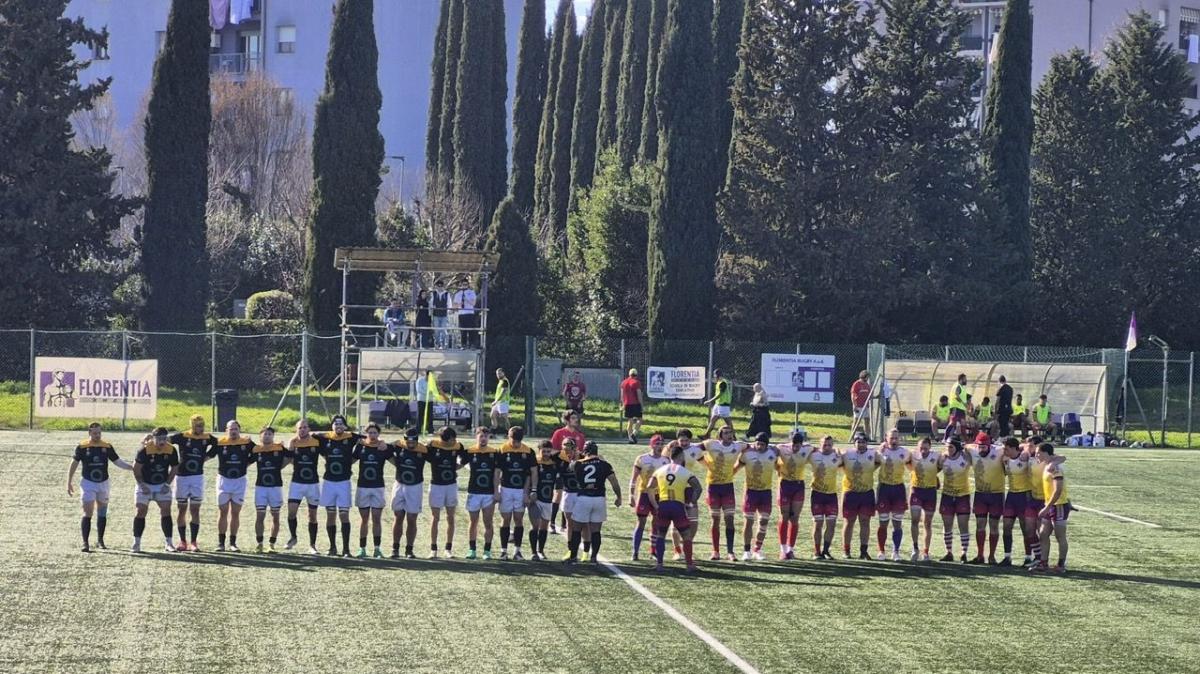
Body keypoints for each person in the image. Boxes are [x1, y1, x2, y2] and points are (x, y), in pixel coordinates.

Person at [67, 422, 133, 552]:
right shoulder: (82, 446)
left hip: (103, 483)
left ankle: (100, 540)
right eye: (95, 433)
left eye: (99, 433)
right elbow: (74, 463)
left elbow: (117, 461)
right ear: (89, 433)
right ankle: (85, 543)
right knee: (88, 512)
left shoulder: (106, 446)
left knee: (102, 512)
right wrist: (68, 481)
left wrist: (132, 468)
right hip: (88, 483)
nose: (97, 435)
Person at [645, 443, 703, 572]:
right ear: (681, 456)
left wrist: (655, 504)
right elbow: (698, 488)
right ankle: (689, 565)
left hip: (663, 505)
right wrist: (692, 502)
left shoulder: (659, 470)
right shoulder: (685, 471)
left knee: (661, 535)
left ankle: (659, 564)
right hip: (677, 506)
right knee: (686, 535)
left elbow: (649, 487)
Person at [565, 441, 621, 564]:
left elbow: (570, 467)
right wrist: (619, 497)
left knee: (576, 529)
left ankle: (573, 557)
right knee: (596, 530)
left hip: (583, 497)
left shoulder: (577, 464)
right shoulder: (605, 465)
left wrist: (576, 456)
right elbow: (614, 482)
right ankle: (594, 558)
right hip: (599, 498)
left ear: (585, 452)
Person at [168, 415, 217, 552]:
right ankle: (182, 541)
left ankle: (194, 542)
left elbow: (217, 445)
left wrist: (205, 458)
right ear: (192, 425)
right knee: (182, 509)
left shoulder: (207, 438)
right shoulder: (182, 436)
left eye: (202, 425)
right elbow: (166, 440)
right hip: (181, 477)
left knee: (195, 510)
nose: (200, 428)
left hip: (197, 477)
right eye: (197, 426)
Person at [208, 419, 256, 552]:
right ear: (226, 431)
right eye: (230, 429)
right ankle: (221, 543)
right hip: (223, 480)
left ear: (239, 430)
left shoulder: (246, 442)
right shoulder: (220, 443)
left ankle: (233, 543)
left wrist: (246, 464)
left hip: (239, 481)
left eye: (235, 429)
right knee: (223, 511)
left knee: (235, 513)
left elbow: (258, 453)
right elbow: (208, 455)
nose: (233, 431)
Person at [315, 415, 359, 557]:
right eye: (335, 423)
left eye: (341, 423)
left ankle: (346, 549)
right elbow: (313, 435)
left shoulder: (351, 437)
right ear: (332, 426)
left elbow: (366, 438)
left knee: (344, 515)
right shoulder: (326, 438)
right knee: (331, 515)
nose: (338, 426)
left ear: (345, 426)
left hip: (344, 482)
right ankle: (332, 547)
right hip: (329, 482)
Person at [131, 427, 180, 553]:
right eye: (159, 439)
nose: (162, 441)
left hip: (161, 484)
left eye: (164, 438)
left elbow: (175, 467)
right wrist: (141, 484)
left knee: (166, 510)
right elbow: (136, 469)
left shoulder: (171, 449)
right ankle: (136, 543)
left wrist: (167, 484)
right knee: (140, 510)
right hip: (145, 483)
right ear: (153, 438)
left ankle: (169, 543)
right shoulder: (144, 450)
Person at [700, 425, 744, 561]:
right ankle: (715, 551)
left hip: (727, 488)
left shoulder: (738, 446)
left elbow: (754, 447)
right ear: (720, 436)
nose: (729, 435)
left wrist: (736, 468)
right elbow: (694, 449)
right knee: (715, 519)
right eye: (725, 433)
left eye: (730, 432)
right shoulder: (711, 444)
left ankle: (730, 552)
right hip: (713, 487)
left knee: (729, 519)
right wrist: (705, 464)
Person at [735, 432, 777, 561]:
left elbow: (780, 464)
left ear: (767, 445)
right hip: (751, 492)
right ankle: (746, 551)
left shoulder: (773, 453)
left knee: (763, 521)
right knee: (749, 521)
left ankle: (757, 550)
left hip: (765, 492)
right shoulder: (747, 454)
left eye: (762, 444)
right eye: (757, 443)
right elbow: (736, 467)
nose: (759, 446)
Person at [352, 424, 393, 558]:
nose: (373, 435)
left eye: (375, 433)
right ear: (366, 433)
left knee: (376, 518)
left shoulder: (383, 447)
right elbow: (350, 460)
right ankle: (362, 549)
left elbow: (395, 458)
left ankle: (377, 548)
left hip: (378, 487)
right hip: (363, 486)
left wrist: (386, 445)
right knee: (364, 519)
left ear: (379, 434)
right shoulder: (361, 446)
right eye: (370, 433)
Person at [496, 426, 536, 560]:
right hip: (506, 489)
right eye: (513, 440)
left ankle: (517, 551)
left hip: (520, 490)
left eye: (517, 441)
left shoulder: (528, 451)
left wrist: (529, 491)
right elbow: (497, 472)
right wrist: (496, 490)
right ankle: (503, 551)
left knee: (519, 519)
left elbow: (532, 473)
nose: (515, 444)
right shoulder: (502, 449)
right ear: (509, 437)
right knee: (505, 519)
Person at [1032, 443, 1072, 573]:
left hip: (1058, 505)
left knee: (1060, 536)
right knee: (1043, 534)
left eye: (1038, 452)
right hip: (1051, 505)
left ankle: (1061, 565)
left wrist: (1047, 507)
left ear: (1046, 453)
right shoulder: (1048, 465)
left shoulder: (1055, 468)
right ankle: (1044, 563)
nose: (1036, 454)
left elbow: (1058, 490)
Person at [629, 434, 670, 561]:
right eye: (657, 443)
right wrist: (631, 495)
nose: (660, 446)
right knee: (641, 522)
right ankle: (635, 551)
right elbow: (634, 478)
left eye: (661, 443)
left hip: (659, 495)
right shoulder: (642, 459)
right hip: (644, 494)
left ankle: (653, 551)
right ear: (651, 445)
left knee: (656, 523)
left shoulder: (666, 460)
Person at [426, 426, 465, 558]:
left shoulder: (458, 446)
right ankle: (433, 548)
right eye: (453, 439)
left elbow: (465, 458)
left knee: (450, 517)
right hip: (436, 485)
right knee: (435, 517)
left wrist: (457, 468)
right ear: (446, 439)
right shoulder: (433, 446)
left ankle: (448, 549)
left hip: (451, 485)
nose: (455, 441)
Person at [285, 419, 323, 554]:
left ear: (309, 429)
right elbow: (287, 459)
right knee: (291, 512)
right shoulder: (293, 442)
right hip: (297, 483)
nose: (302, 430)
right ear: (296, 430)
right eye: (300, 428)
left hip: (313, 483)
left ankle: (312, 545)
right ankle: (293, 537)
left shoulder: (316, 442)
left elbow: (327, 454)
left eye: (305, 427)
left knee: (312, 515)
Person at [388, 427, 426, 559]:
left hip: (415, 486)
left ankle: (409, 549)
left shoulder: (424, 449)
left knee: (411, 518)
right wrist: (397, 464)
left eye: (413, 441)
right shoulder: (398, 446)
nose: (410, 444)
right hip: (400, 484)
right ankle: (395, 548)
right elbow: (385, 451)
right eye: (408, 441)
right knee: (398, 516)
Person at [840, 433, 880, 560]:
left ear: (867, 443)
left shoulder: (873, 453)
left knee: (865, 522)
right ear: (854, 443)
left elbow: (879, 462)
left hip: (866, 493)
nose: (861, 444)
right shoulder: (847, 454)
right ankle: (846, 551)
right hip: (850, 492)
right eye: (858, 442)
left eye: (863, 442)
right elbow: (839, 463)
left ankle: (864, 551)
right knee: (849, 522)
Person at [774, 429, 812, 560]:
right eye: (793, 445)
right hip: (784, 485)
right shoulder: (782, 448)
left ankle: (791, 549)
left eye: (798, 445)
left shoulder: (807, 449)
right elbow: (771, 451)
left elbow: (820, 450)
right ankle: (782, 549)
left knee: (795, 518)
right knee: (784, 516)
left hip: (798, 486)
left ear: (802, 444)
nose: (795, 448)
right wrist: (777, 468)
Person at [967, 432, 1005, 564]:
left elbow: (1020, 447)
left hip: (996, 494)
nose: (981, 449)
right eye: (979, 447)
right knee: (980, 525)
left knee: (994, 526)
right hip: (980, 494)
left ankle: (992, 556)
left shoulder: (1000, 450)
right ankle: (980, 555)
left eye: (984, 447)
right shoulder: (972, 449)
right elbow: (963, 446)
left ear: (990, 445)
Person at [250, 426, 289, 554]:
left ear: (273, 436)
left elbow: (291, 456)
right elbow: (246, 461)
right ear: (260, 436)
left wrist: (280, 467)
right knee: (260, 516)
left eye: (269, 434)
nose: (267, 436)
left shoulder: (279, 448)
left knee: (275, 516)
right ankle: (259, 543)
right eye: (264, 434)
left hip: (276, 487)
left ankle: (271, 544)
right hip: (260, 487)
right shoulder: (256, 449)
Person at [875, 429, 910, 561]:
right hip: (884, 489)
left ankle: (896, 552)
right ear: (886, 438)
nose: (894, 440)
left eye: (896, 438)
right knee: (883, 522)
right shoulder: (880, 451)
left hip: (898, 490)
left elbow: (914, 464)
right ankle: (881, 550)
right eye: (891, 438)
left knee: (897, 523)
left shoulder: (905, 453)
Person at [549, 409, 586, 533]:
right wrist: (563, 454)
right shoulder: (559, 433)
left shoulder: (580, 435)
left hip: (574, 470)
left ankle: (565, 524)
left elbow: (583, 453)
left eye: (576, 418)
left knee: (570, 494)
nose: (576, 420)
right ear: (567, 420)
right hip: (561, 468)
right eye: (573, 418)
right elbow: (552, 451)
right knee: (558, 493)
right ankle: (552, 522)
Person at [938, 438, 974, 563]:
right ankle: (949, 552)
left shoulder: (965, 457)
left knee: (963, 525)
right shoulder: (943, 458)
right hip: (947, 495)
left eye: (951, 447)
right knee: (947, 525)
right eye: (947, 447)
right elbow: (934, 470)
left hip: (963, 496)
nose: (948, 449)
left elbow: (972, 449)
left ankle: (964, 552)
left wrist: (966, 447)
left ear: (957, 448)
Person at [807, 435, 842, 559]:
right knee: (818, 524)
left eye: (829, 445)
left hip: (831, 495)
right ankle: (817, 552)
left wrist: (837, 451)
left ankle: (826, 551)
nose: (827, 447)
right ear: (819, 444)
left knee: (831, 524)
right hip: (817, 494)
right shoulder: (813, 455)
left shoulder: (837, 456)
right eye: (824, 445)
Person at [1000, 437, 1033, 567]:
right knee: (1007, 526)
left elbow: (1028, 446)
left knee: (1026, 528)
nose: (1004, 451)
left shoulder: (1024, 457)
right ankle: (1007, 557)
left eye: (1006, 448)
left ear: (1014, 448)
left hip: (1024, 495)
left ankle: (1028, 557)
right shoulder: (1005, 459)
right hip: (1011, 495)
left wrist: (1024, 448)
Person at [906, 436, 939, 562]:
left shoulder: (936, 456)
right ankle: (915, 548)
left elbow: (941, 465)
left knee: (928, 523)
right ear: (917, 448)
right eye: (921, 448)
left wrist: (935, 477)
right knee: (915, 520)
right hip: (916, 491)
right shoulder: (913, 455)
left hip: (930, 492)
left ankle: (926, 551)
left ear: (930, 447)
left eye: (925, 448)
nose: (923, 451)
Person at [528, 441, 561, 560]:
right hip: (536, 498)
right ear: (539, 450)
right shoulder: (535, 462)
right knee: (535, 525)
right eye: (544, 451)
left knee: (544, 526)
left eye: (548, 451)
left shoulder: (554, 463)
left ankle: (540, 550)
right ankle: (533, 552)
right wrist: (530, 493)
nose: (546, 454)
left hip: (548, 499)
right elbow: (528, 478)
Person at [557, 437, 582, 558]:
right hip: (568, 492)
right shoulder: (560, 458)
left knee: (584, 524)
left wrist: (578, 457)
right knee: (569, 523)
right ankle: (571, 550)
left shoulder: (582, 457)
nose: (567, 452)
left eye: (569, 449)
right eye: (565, 449)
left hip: (581, 493)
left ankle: (587, 550)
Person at [701, 370, 735, 438]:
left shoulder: (723, 383)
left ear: (717, 375)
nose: (714, 377)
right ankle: (706, 435)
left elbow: (720, 394)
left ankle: (733, 436)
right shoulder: (719, 382)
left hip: (724, 405)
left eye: (715, 375)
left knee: (728, 422)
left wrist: (709, 401)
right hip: (718, 404)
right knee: (713, 420)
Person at [620, 368, 645, 444]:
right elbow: (639, 394)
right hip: (635, 404)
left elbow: (621, 395)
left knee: (630, 421)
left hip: (627, 404)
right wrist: (641, 405)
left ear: (629, 374)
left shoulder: (623, 383)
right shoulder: (636, 382)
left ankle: (630, 438)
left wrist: (623, 404)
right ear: (636, 375)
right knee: (640, 420)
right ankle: (634, 434)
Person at [453, 277, 477, 348]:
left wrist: (466, 300)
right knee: (463, 330)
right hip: (462, 314)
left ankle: (471, 344)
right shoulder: (458, 294)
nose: (464, 286)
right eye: (463, 284)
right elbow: (454, 306)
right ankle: (463, 344)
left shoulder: (471, 292)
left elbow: (473, 303)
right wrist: (459, 304)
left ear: (468, 285)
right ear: (461, 285)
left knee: (471, 330)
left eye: (466, 284)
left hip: (470, 313)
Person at [429, 279, 451, 349]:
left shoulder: (447, 294)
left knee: (444, 330)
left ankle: (444, 344)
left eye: (441, 286)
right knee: (436, 330)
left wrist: (448, 311)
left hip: (444, 314)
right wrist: (432, 308)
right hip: (436, 314)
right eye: (438, 286)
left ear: (443, 286)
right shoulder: (434, 293)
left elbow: (449, 304)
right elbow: (431, 303)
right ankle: (437, 344)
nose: (439, 287)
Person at [947, 373, 969, 441]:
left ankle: (965, 440)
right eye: (965, 379)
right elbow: (956, 395)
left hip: (961, 408)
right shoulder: (958, 386)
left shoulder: (961, 387)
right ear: (961, 379)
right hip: (956, 407)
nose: (966, 381)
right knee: (953, 423)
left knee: (963, 423)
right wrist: (963, 403)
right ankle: (946, 438)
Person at [850, 370, 871, 438]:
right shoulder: (856, 384)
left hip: (866, 406)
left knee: (867, 421)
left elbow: (869, 395)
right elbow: (853, 395)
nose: (868, 379)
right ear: (864, 376)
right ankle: (852, 436)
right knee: (856, 421)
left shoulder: (867, 385)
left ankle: (867, 437)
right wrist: (855, 406)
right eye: (867, 377)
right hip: (858, 406)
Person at [490, 368, 511, 433]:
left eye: (499, 373)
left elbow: (503, 392)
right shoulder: (500, 381)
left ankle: (509, 432)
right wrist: (496, 401)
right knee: (492, 415)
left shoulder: (505, 381)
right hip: (498, 402)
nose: (498, 375)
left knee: (504, 417)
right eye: (497, 374)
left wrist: (496, 401)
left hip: (503, 402)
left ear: (503, 373)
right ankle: (493, 431)